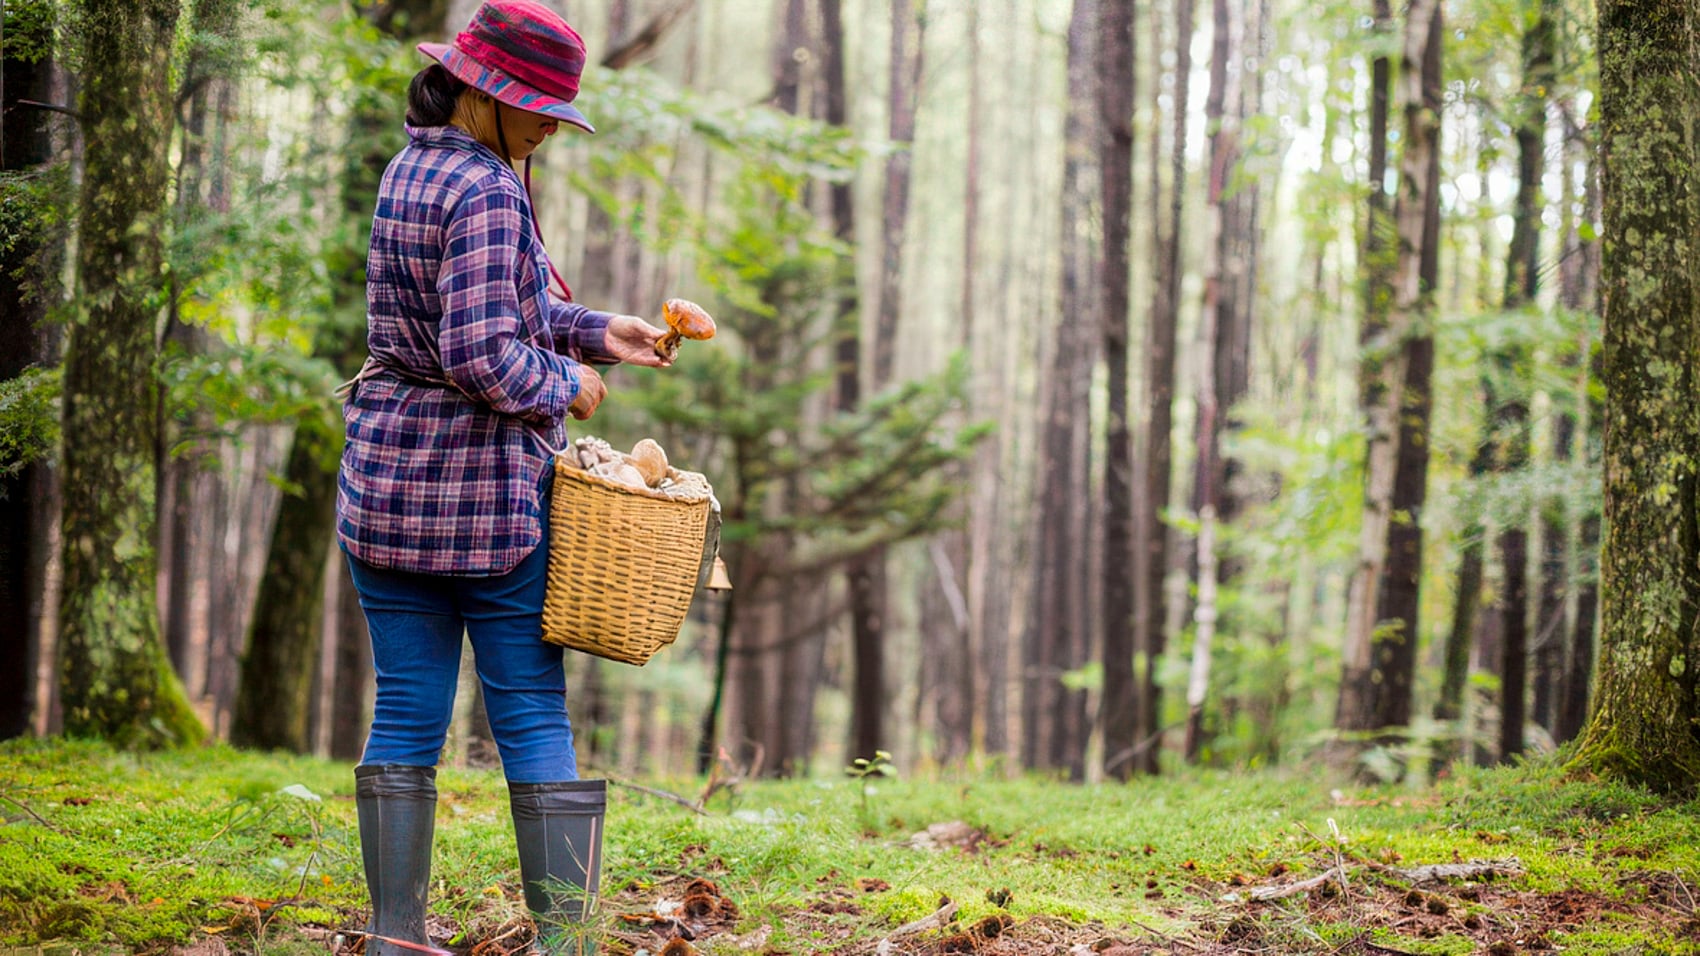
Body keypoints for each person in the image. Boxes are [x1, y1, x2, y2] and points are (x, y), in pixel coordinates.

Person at [334, 2, 669, 953]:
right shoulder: (485, 188)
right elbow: (483, 352)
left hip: (389, 484)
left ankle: (397, 937)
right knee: (528, 706)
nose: (551, 127)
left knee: (404, 707)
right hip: (485, 500)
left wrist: (600, 329)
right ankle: (563, 943)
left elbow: (487, 306)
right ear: (484, 92)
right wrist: (571, 382)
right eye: (539, 108)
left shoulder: (413, 168)